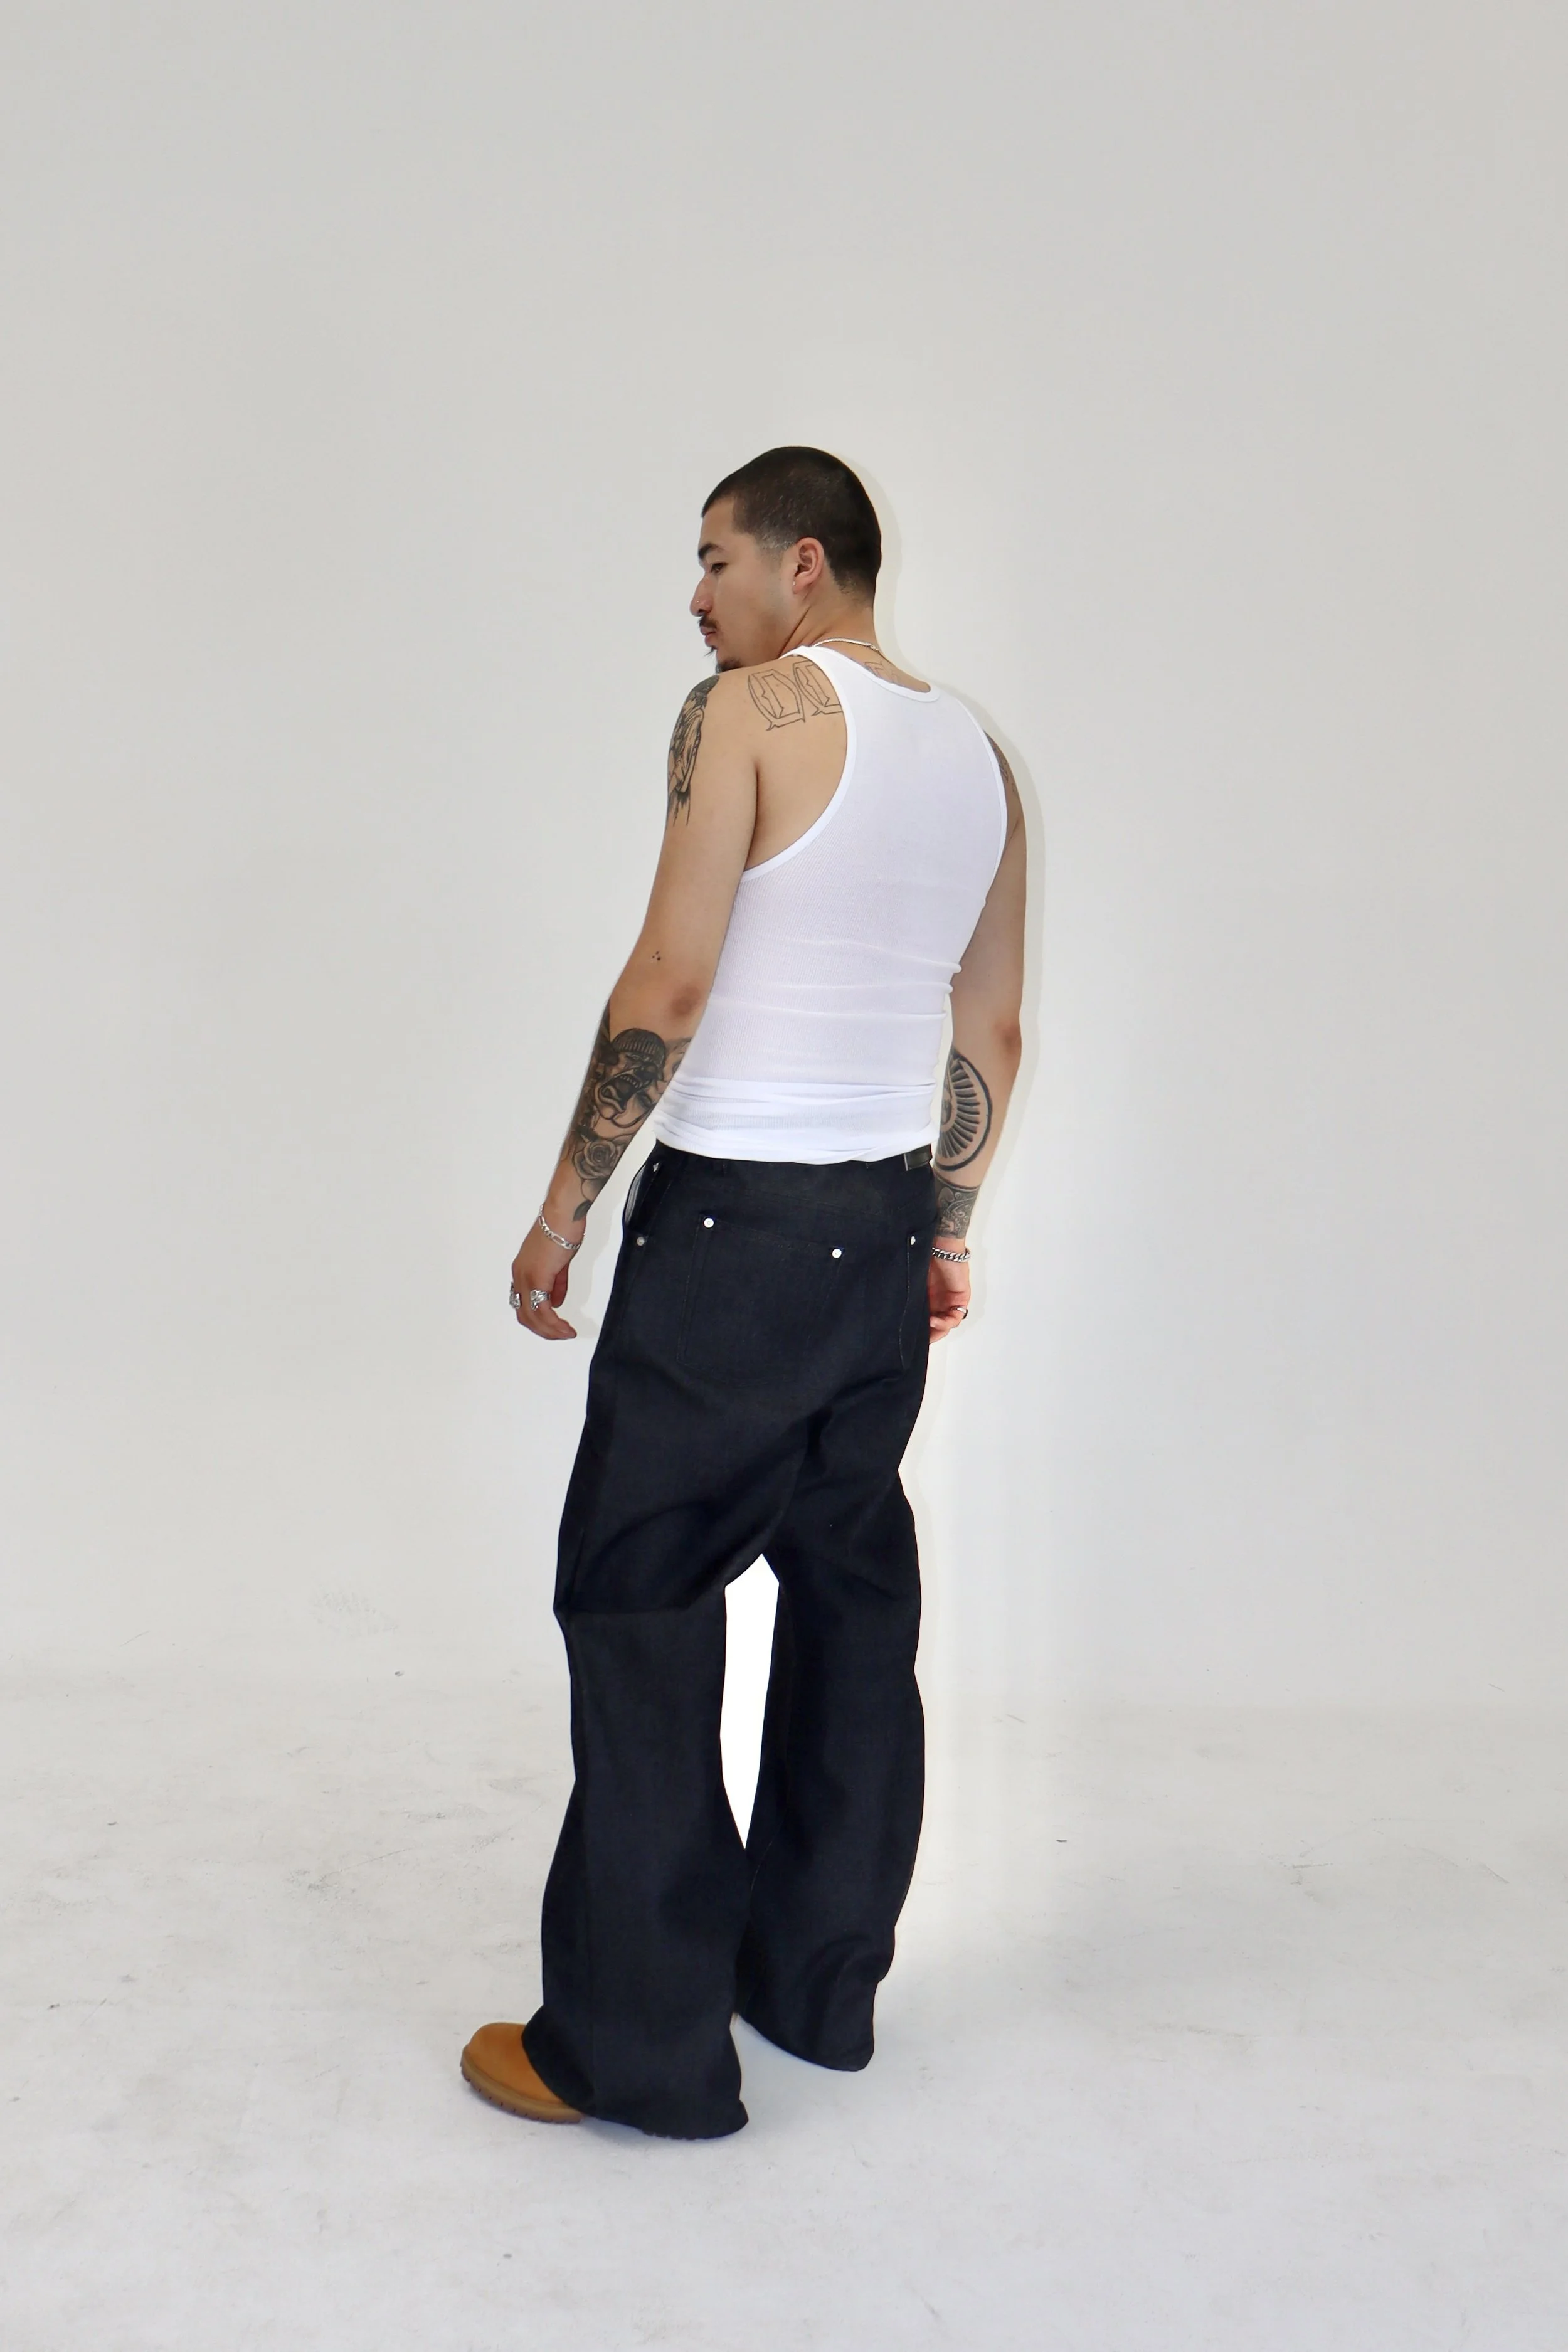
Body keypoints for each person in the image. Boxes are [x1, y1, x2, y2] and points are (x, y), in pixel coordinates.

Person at [461, 447, 1027, 2138]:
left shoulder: (749, 716)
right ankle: (813, 1991)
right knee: (852, 1606)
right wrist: (945, 1232)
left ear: (804, 563)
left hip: (728, 1236)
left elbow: (671, 977)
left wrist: (564, 1206)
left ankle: (631, 2049)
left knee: (641, 1601)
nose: (696, 595)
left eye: (716, 559)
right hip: (877, 1229)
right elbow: (992, 1028)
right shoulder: (983, 758)